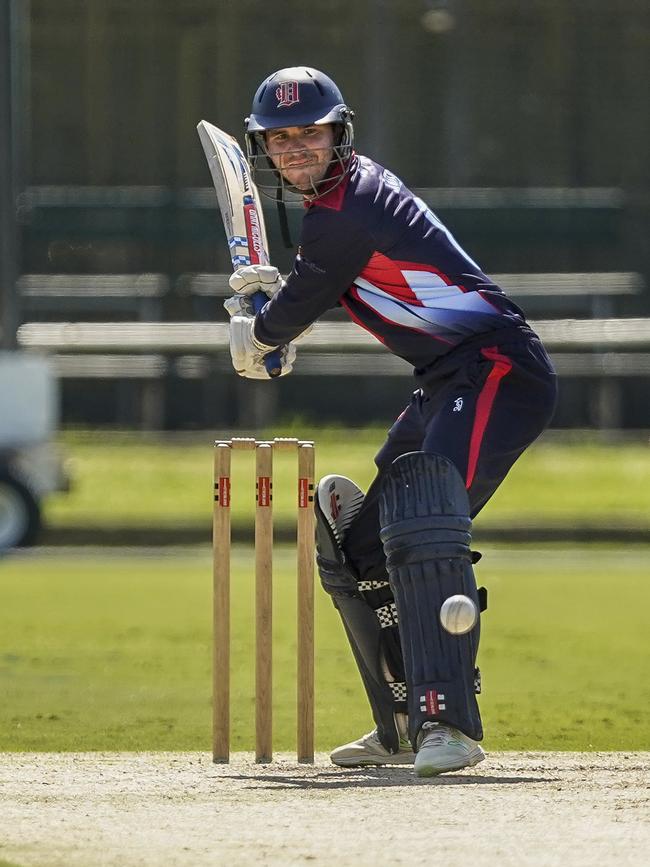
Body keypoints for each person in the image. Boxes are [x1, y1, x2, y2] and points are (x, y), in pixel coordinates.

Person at [225, 66, 558, 777]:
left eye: (308, 134)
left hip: (497, 368)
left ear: (339, 134)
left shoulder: (346, 211)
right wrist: (275, 316)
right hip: (447, 379)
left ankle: (451, 724)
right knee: (366, 546)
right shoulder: (339, 208)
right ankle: (402, 722)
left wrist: (259, 333)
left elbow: (305, 298)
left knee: (426, 526)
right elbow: (331, 286)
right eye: (279, 139)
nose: (294, 150)